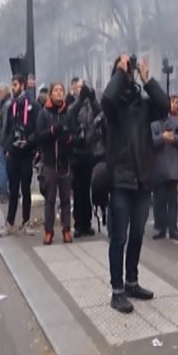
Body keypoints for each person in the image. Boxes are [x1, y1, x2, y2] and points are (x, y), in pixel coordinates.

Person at [101, 54, 170, 314]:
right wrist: (120, 69)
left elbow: (164, 107)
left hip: (143, 179)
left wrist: (147, 77)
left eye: (130, 72)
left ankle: (132, 282)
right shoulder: (112, 107)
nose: (129, 75)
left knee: (138, 234)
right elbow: (107, 98)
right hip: (120, 179)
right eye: (125, 73)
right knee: (119, 237)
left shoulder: (143, 104)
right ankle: (117, 291)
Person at [0, 75, 39, 236]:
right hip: (13, 153)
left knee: (26, 189)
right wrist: (6, 147)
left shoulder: (33, 105)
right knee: (13, 189)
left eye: (15, 85)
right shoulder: (11, 106)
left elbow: (38, 128)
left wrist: (29, 142)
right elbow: (6, 128)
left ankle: (26, 221)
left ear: (22, 86)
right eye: (12, 85)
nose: (12, 88)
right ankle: (9, 222)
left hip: (26, 153)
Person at [37, 82, 74, 244]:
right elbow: (39, 136)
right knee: (50, 198)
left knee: (66, 198)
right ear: (51, 94)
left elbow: (74, 132)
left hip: (65, 161)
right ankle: (48, 231)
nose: (59, 93)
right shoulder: (44, 113)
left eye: (61, 90)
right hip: (50, 160)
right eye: (56, 90)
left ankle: (67, 229)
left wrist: (68, 137)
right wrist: (52, 131)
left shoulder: (68, 112)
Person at [69, 77, 102, 238]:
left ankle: (87, 223)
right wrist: (79, 100)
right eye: (78, 87)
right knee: (77, 190)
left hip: (89, 151)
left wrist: (93, 99)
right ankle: (78, 224)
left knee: (87, 189)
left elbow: (101, 114)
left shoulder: (90, 105)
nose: (81, 90)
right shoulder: (71, 103)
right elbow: (70, 115)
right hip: (75, 152)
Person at [151, 95, 178, 241]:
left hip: (172, 167)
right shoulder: (153, 124)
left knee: (172, 201)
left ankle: (173, 229)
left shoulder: (175, 121)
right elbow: (151, 142)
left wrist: (174, 138)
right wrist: (162, 138)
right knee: (159, 202)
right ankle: (161, 228)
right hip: (158, 168)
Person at [0, 84, 11, 203]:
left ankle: (3, 192)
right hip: (8, 140)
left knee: (1, 166)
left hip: (4, 141)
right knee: (8, 167)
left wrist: (2, 140)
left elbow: (5, 124)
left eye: (0, 92)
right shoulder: (8, 103)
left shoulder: (5, 105)